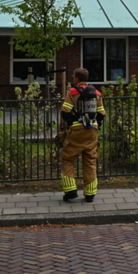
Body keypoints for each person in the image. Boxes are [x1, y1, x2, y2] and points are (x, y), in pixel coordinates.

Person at [58, 67, 106, 203]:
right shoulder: (97, 93)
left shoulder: (72, 92)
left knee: (68, 158)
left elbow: (65, 112)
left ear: (76, 78)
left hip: (77, 130)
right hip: (92, 130)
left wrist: (72, 122)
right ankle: (90, 194)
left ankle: (70, 191)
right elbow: (102, 114)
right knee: (90, 160)